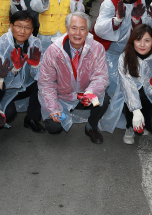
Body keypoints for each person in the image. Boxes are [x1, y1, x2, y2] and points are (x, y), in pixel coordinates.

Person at [94, 0, 152, 132]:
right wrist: (117, 20)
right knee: (115, 87)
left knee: (132, 84)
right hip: (111, 52)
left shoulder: (140, 0)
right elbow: (99, 29)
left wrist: (137, 22)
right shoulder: (109, 2)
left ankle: (131, 117)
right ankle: (122, 118)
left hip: (131, 52)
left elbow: (146, 26)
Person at [38, 12, 110, 144]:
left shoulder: (97, 48)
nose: (78, 33)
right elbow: (46, 82)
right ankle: (57, 116)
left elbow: (101, 77)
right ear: (67, 29)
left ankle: (91, 127)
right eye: (74, 28)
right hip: (62, 97)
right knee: (54, 127)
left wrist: (91, 93)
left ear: (88, 31)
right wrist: (53, 108)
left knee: (103, 100)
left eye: (82, 29)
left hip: (85, 96)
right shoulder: (54, 51)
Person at [0, 10, 45, 132]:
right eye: (19, 26)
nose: (22, 31)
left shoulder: (35, 43)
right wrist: (14, 70)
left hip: (25, 84)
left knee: (43, 83)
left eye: (27, 28)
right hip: (6, 88)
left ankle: (32, 119)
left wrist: (35, 66)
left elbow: (40, 74)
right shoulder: (1, 44)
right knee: (9, 114)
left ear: (32, 30)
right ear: (11, 26)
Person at [118, 24, 152, 145]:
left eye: (147, 40)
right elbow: (127, 86)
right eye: (138, 40)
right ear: (132, 40)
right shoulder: (124, 58)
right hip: (129, 96)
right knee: (129, 102)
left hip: (149, 97)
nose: (142, 44)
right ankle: (129, 127)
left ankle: (144, 119)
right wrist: (136, 110)